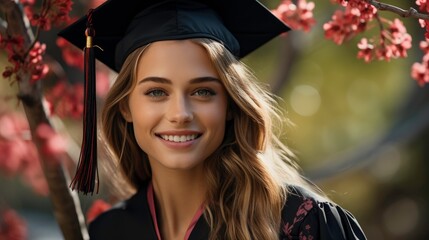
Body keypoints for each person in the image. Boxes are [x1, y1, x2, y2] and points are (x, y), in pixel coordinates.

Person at [59, 0, 367, 239]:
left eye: (203, 91)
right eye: (156, 92)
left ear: (231, 103)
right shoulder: (108, 233)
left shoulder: (301, 224)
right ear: (125, 106)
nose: (180, 113)